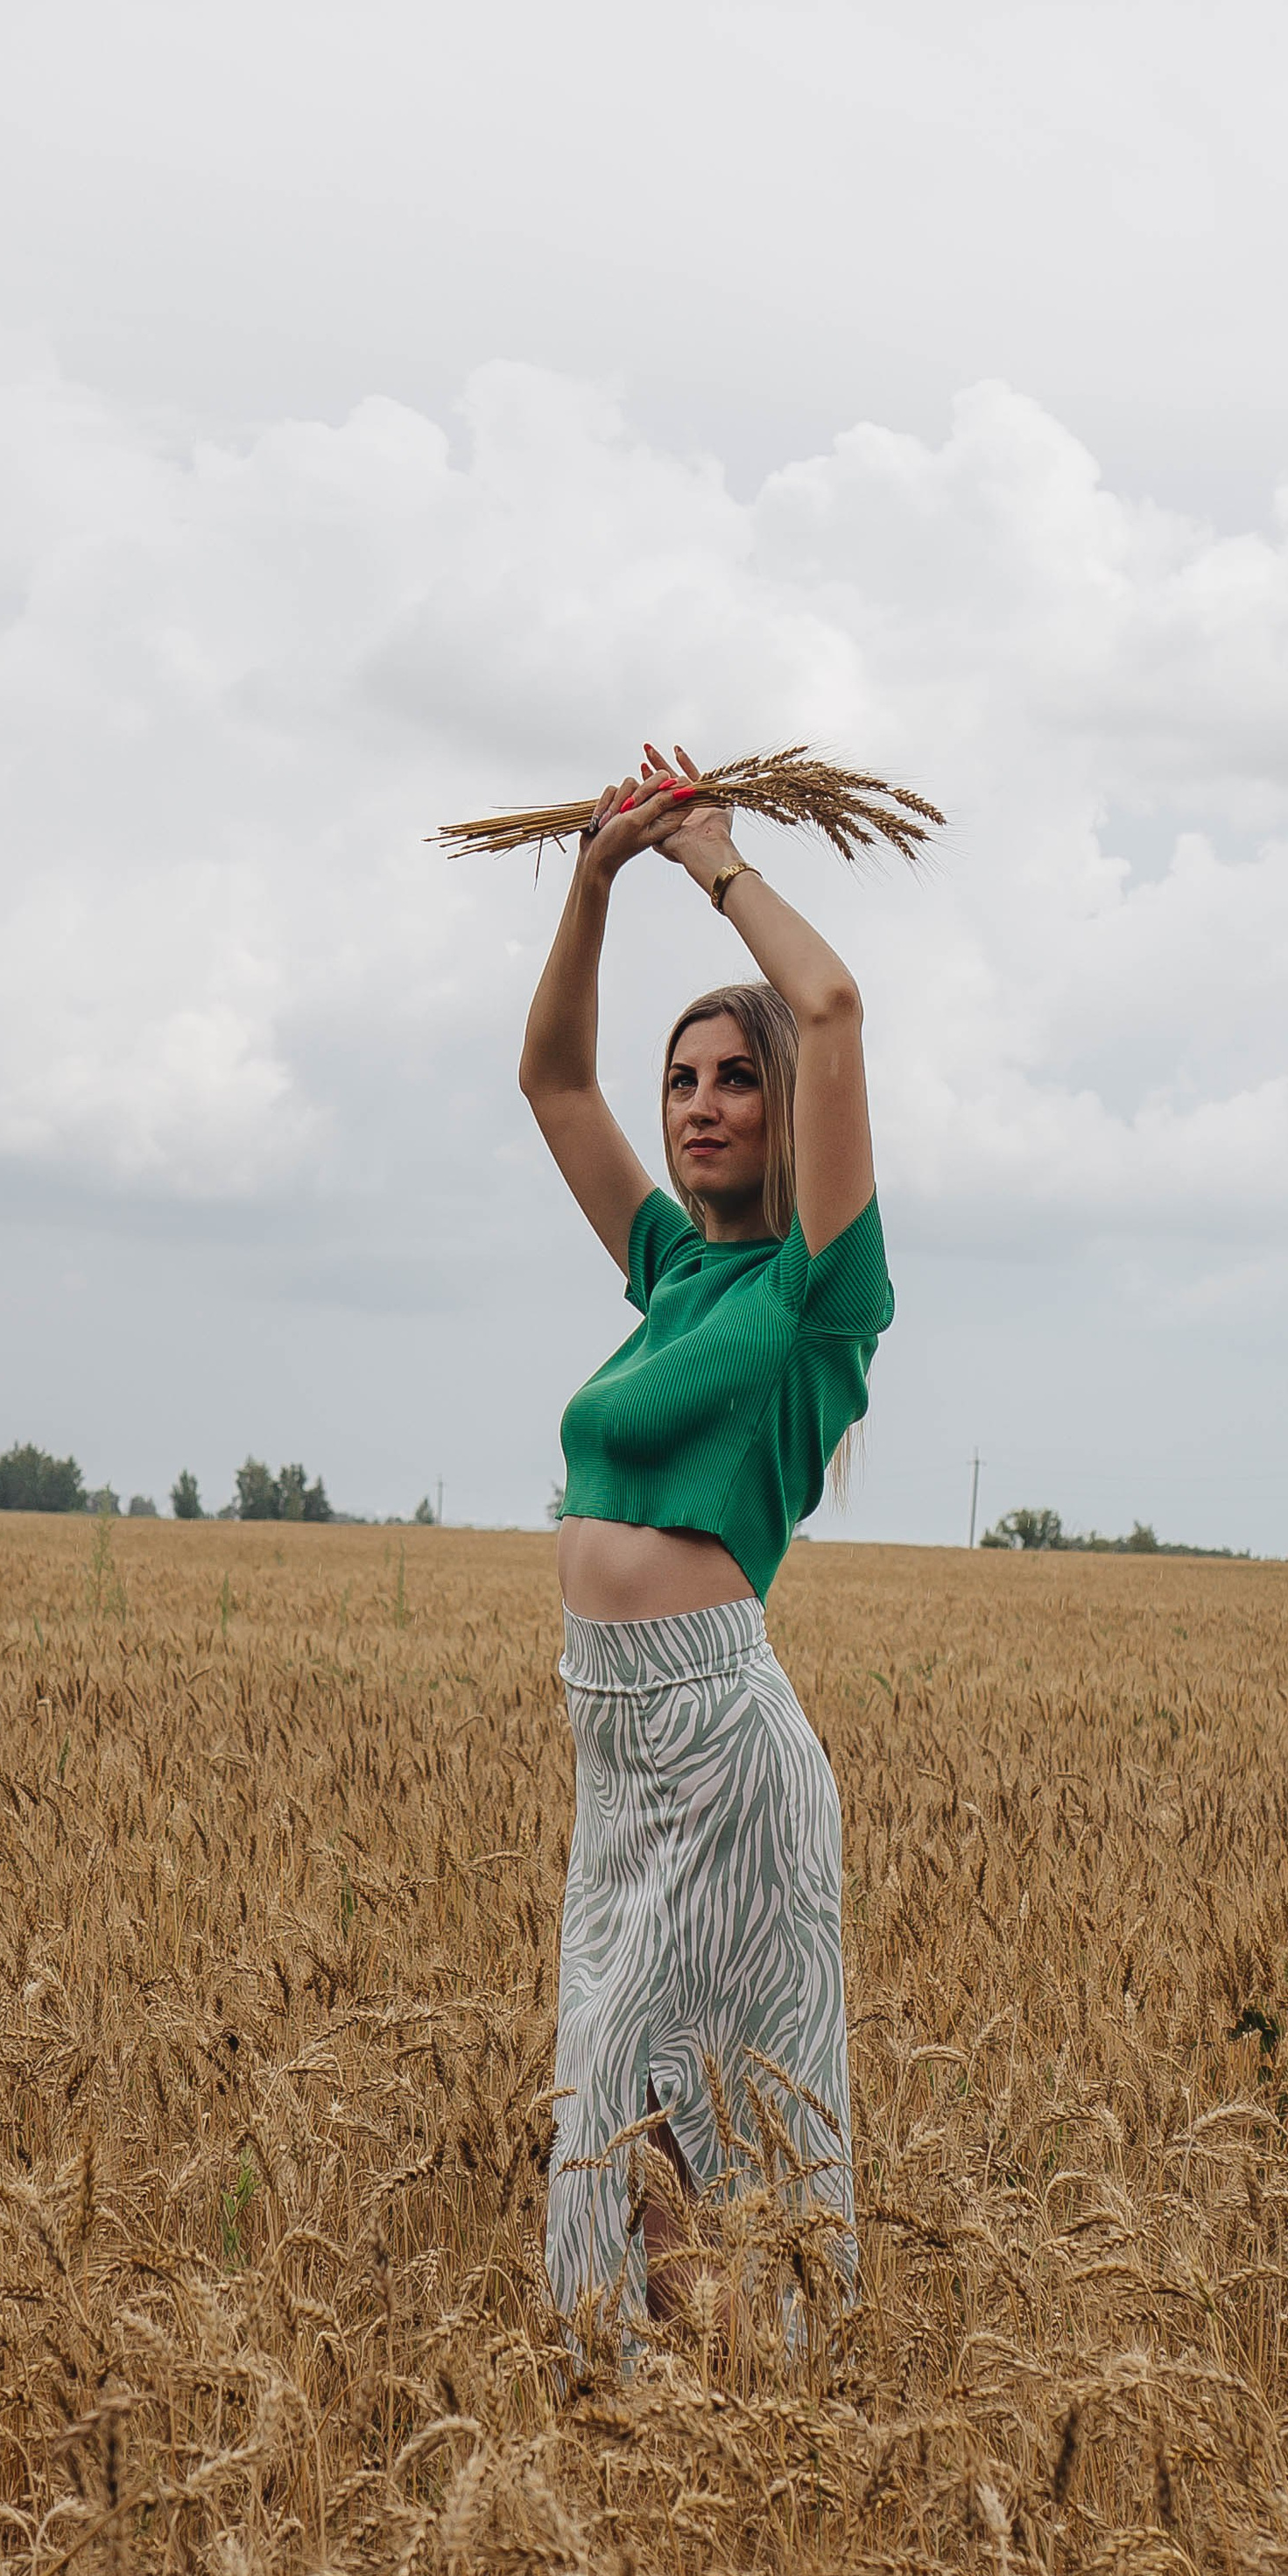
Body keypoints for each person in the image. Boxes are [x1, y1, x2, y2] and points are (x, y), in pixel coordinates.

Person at [517, 742, 894, 2359]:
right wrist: (594, 880)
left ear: (782, 1111)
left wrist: (711, 860)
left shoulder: (816, 1295)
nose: (700, 1106)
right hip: (616, 1748)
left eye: (731, 1080)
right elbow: (550, 1083)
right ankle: (665, 2429)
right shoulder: (669, 1266)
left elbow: (832, 1009)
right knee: (616, 2111)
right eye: (683, 1082)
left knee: (694, 2117)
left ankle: (744, 2427)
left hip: (720, 1745)